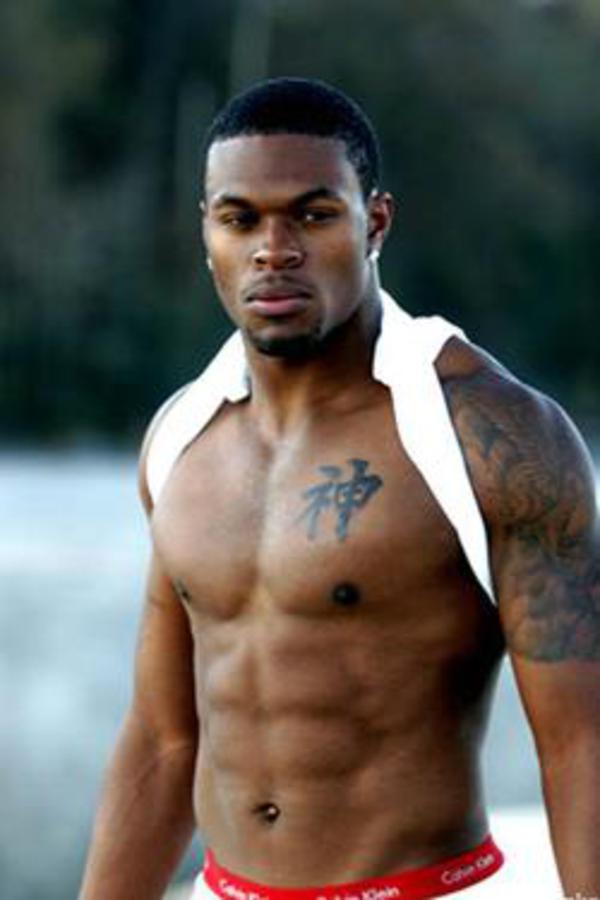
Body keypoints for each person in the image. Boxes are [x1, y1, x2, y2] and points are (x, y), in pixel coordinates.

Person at [78, 78, 600, 900]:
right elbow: (163, 739)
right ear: (207, 231)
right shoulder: (182, 437)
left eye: (313, 216)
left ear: (374, 223)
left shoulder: (490, 434)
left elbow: (581, 742)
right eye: (240, 219)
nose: (273, 249)